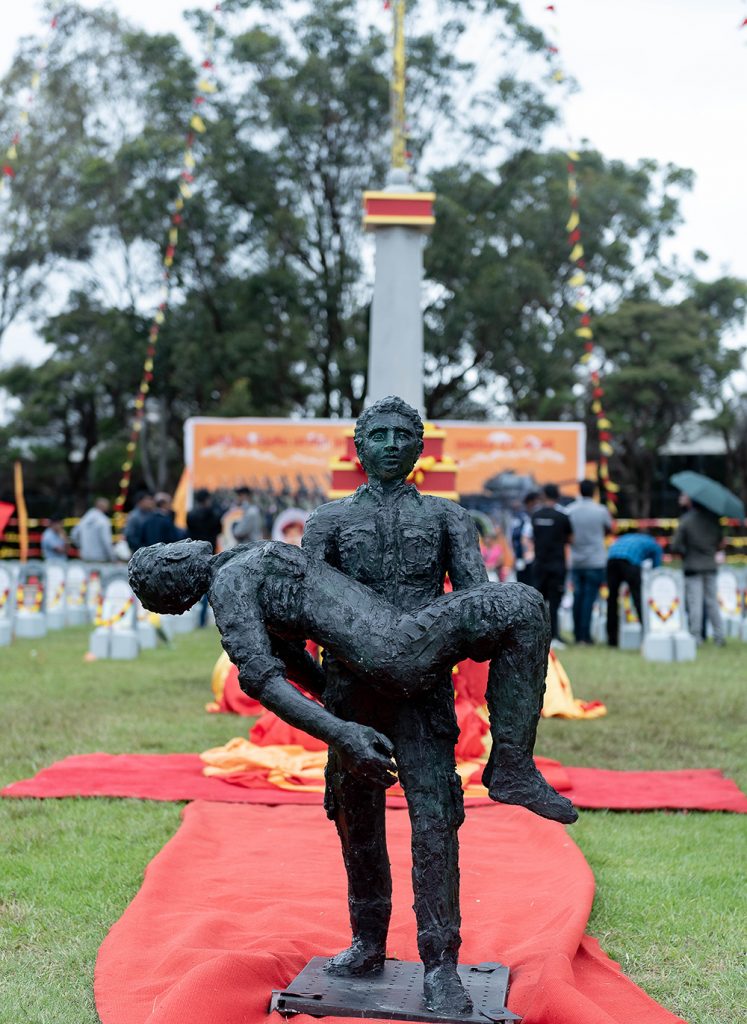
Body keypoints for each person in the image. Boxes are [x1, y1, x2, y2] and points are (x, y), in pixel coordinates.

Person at [129, 524, 576, 1013]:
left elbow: (290, 659)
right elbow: (262, 680)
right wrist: (341, 731)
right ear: (174, 567)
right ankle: (511, 765)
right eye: (165, 551)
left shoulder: (237, 565)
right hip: (399, 647)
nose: (175, 543)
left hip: (387, 649)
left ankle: (409, 948)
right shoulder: (231, 583)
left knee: (393, 818)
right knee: (523, 604)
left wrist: (335, 707)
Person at [670, 494, 725, 646]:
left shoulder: (686, 520)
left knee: (695, 603)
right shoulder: (714, 521)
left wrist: (685, 552)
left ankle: (696, 637)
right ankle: (719, 636)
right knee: (712, 602)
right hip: (711, 566)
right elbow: (720, 543)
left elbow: (675, 545)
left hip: (692, 566)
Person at [567, 480, 613, 645]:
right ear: (594, 492)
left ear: (579, 490)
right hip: (595, 560)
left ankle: (577, 634)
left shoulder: (570, 510)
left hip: (576, 560)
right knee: (589, 598)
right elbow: (609, 529)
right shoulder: (601, 510)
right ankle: (585, 636)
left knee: (577, 596)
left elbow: (567, 533)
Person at [530, 483, 572, 648]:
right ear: (558, 497)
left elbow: (531, 537)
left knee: (538, 602)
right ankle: (554, 636)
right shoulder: (562, 517)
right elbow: (571, 539)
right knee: (555, 601)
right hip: (557, 564)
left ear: (544, 496)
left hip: (539, 564)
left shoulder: (535, 516)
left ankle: (536, 635)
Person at [605, 531, 662, 647]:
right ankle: (647, 634)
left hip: (611, 561)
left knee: (612, 600)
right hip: (629, 562)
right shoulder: (654, 544)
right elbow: (656, 570)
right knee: (638, 599)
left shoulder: (626, 537)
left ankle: (612, 640)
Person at [187, 488, 224, 626]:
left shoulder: (191, 515)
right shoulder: (214, 514)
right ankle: (203, 619)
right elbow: (219, 530)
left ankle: (193, 617)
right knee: (207, 585)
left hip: (194, 553)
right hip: (209, 553)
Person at [71, 498, 115, 562]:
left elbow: (74, 534)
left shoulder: (85, 518)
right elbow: (106, 541)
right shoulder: (104, 520)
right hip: (100, 558)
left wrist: (81, 546)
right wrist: (113, 558)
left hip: (85, 556)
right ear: (105, 507)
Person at [511, 491, 540, 585]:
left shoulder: (532, 516)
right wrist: (520, 554)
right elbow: (517, 538)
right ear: (530, 502)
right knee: (523, 582)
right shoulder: (522, 518)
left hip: (532, 557)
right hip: (523, 556)